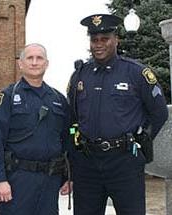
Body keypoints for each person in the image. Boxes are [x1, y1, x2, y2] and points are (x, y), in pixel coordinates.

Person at [67, 14, 168, 215]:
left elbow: (159, 112)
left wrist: (141, 141)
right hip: (88, 163)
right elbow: (73, 116)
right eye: (94, 40)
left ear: (116, 40)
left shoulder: (136, 73)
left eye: (105, 39)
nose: (98, 44)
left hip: (124, 162)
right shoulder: (80, 75)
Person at [0, 43, 70, 215]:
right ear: (21, 64)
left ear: (46, 64)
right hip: (18, 179)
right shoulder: (8, 96)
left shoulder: (58, 99)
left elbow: (67, 140)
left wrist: (68, 177)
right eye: (29, 58)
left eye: (39, 58)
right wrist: (0, 179)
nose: (34, 62)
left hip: (50, 179)